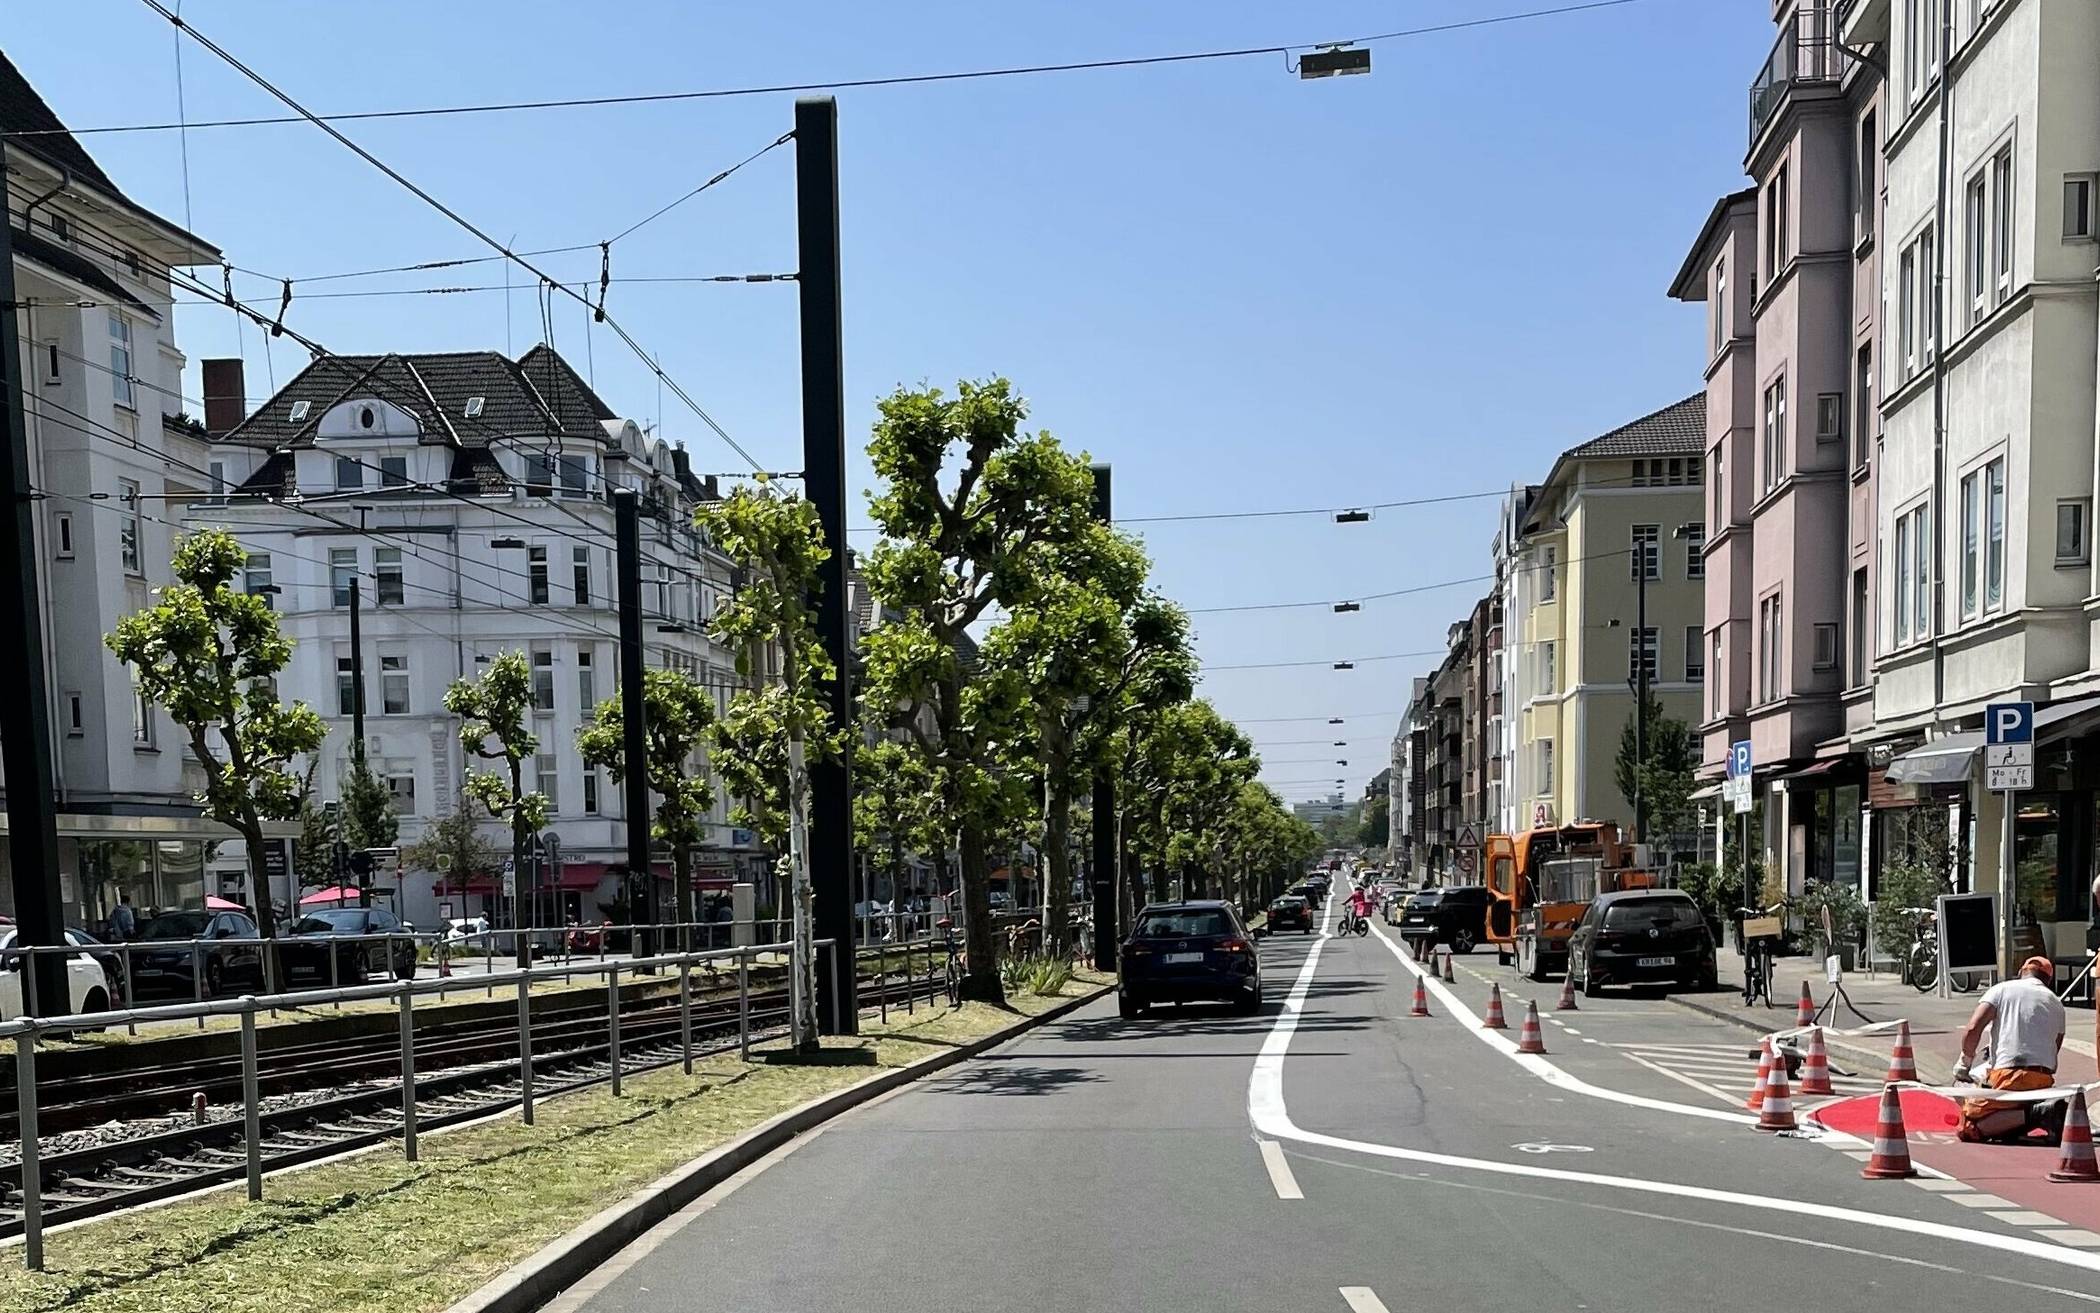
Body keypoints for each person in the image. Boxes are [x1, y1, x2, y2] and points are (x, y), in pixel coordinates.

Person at [1952, 955, 2067, 1144]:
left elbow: (1973, 1029)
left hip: (2008, 1075)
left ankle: (2037, 1113)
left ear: (2022, 971)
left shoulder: (2001, 989)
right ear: (2048, 980)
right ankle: (2036, 1109)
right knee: (2006, 1110)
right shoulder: (2056, 1003)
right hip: (2043, 1079)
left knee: (1970, 1124)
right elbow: (2055, 1046)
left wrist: (1964, 1062)